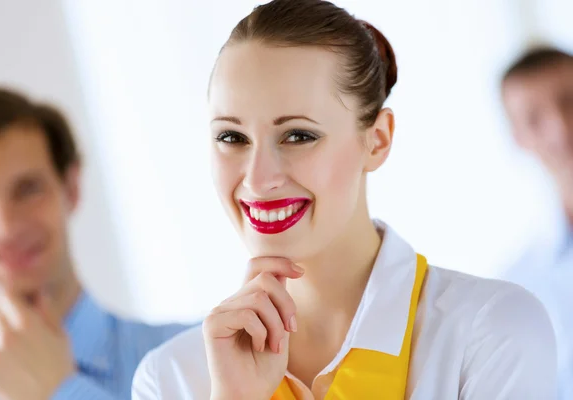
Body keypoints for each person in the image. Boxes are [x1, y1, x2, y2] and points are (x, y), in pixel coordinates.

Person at [133, 1, 557, 398]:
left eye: (298, 135)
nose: (259, 180)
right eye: (232, 137)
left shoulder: (493, 333)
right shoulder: (171, 379)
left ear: (377, 140)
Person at [0, 86, 188, 400]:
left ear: (70, 188)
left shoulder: (193, 358)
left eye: (28, 189)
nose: (5, 228)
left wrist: (62, 391)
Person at [501, 46, 573, 398]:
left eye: (570, 101)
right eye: (534, 118)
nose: (560, 128)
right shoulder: (522, 288)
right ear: (519, 138)